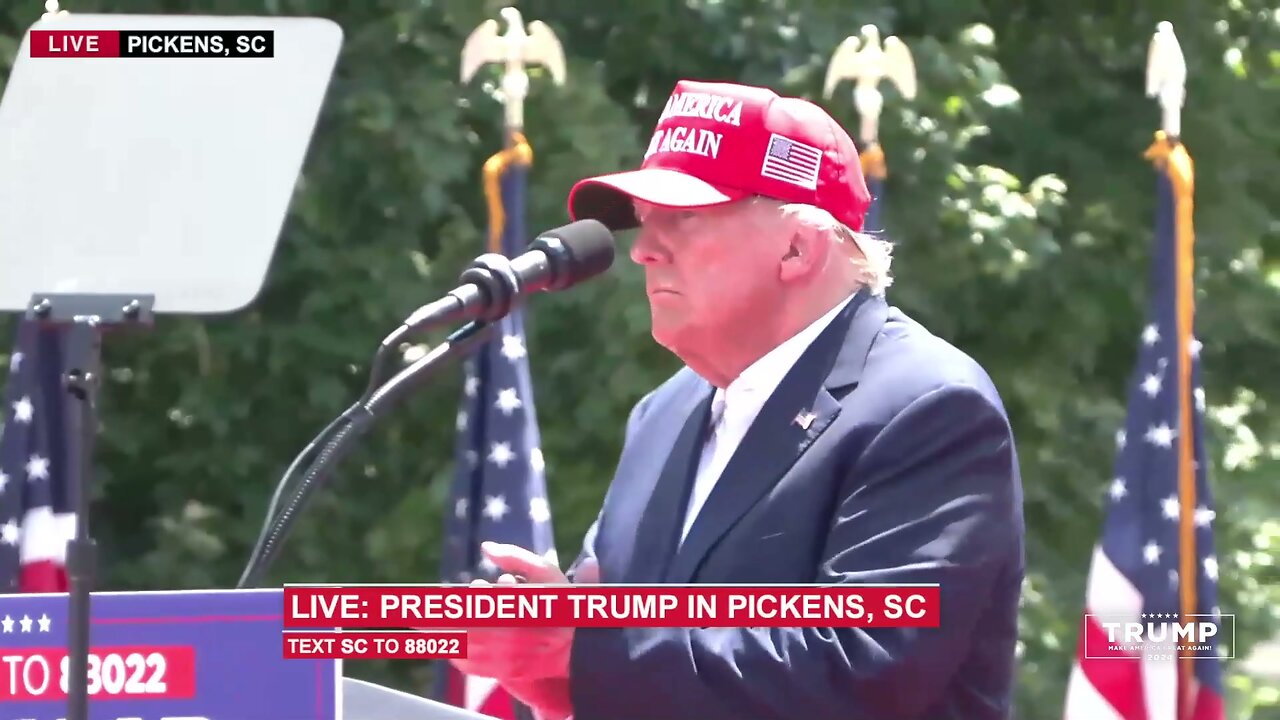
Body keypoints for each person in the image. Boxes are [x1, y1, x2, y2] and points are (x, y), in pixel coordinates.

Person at [450, 79, 1025, 720]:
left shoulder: (928, 406)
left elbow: (860, 669)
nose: (642, 249)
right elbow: (616, 657)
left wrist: (582, 651)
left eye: (685, 218)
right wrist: (550, 677)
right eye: (644, 222)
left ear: (798, 246)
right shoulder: (661, 415)